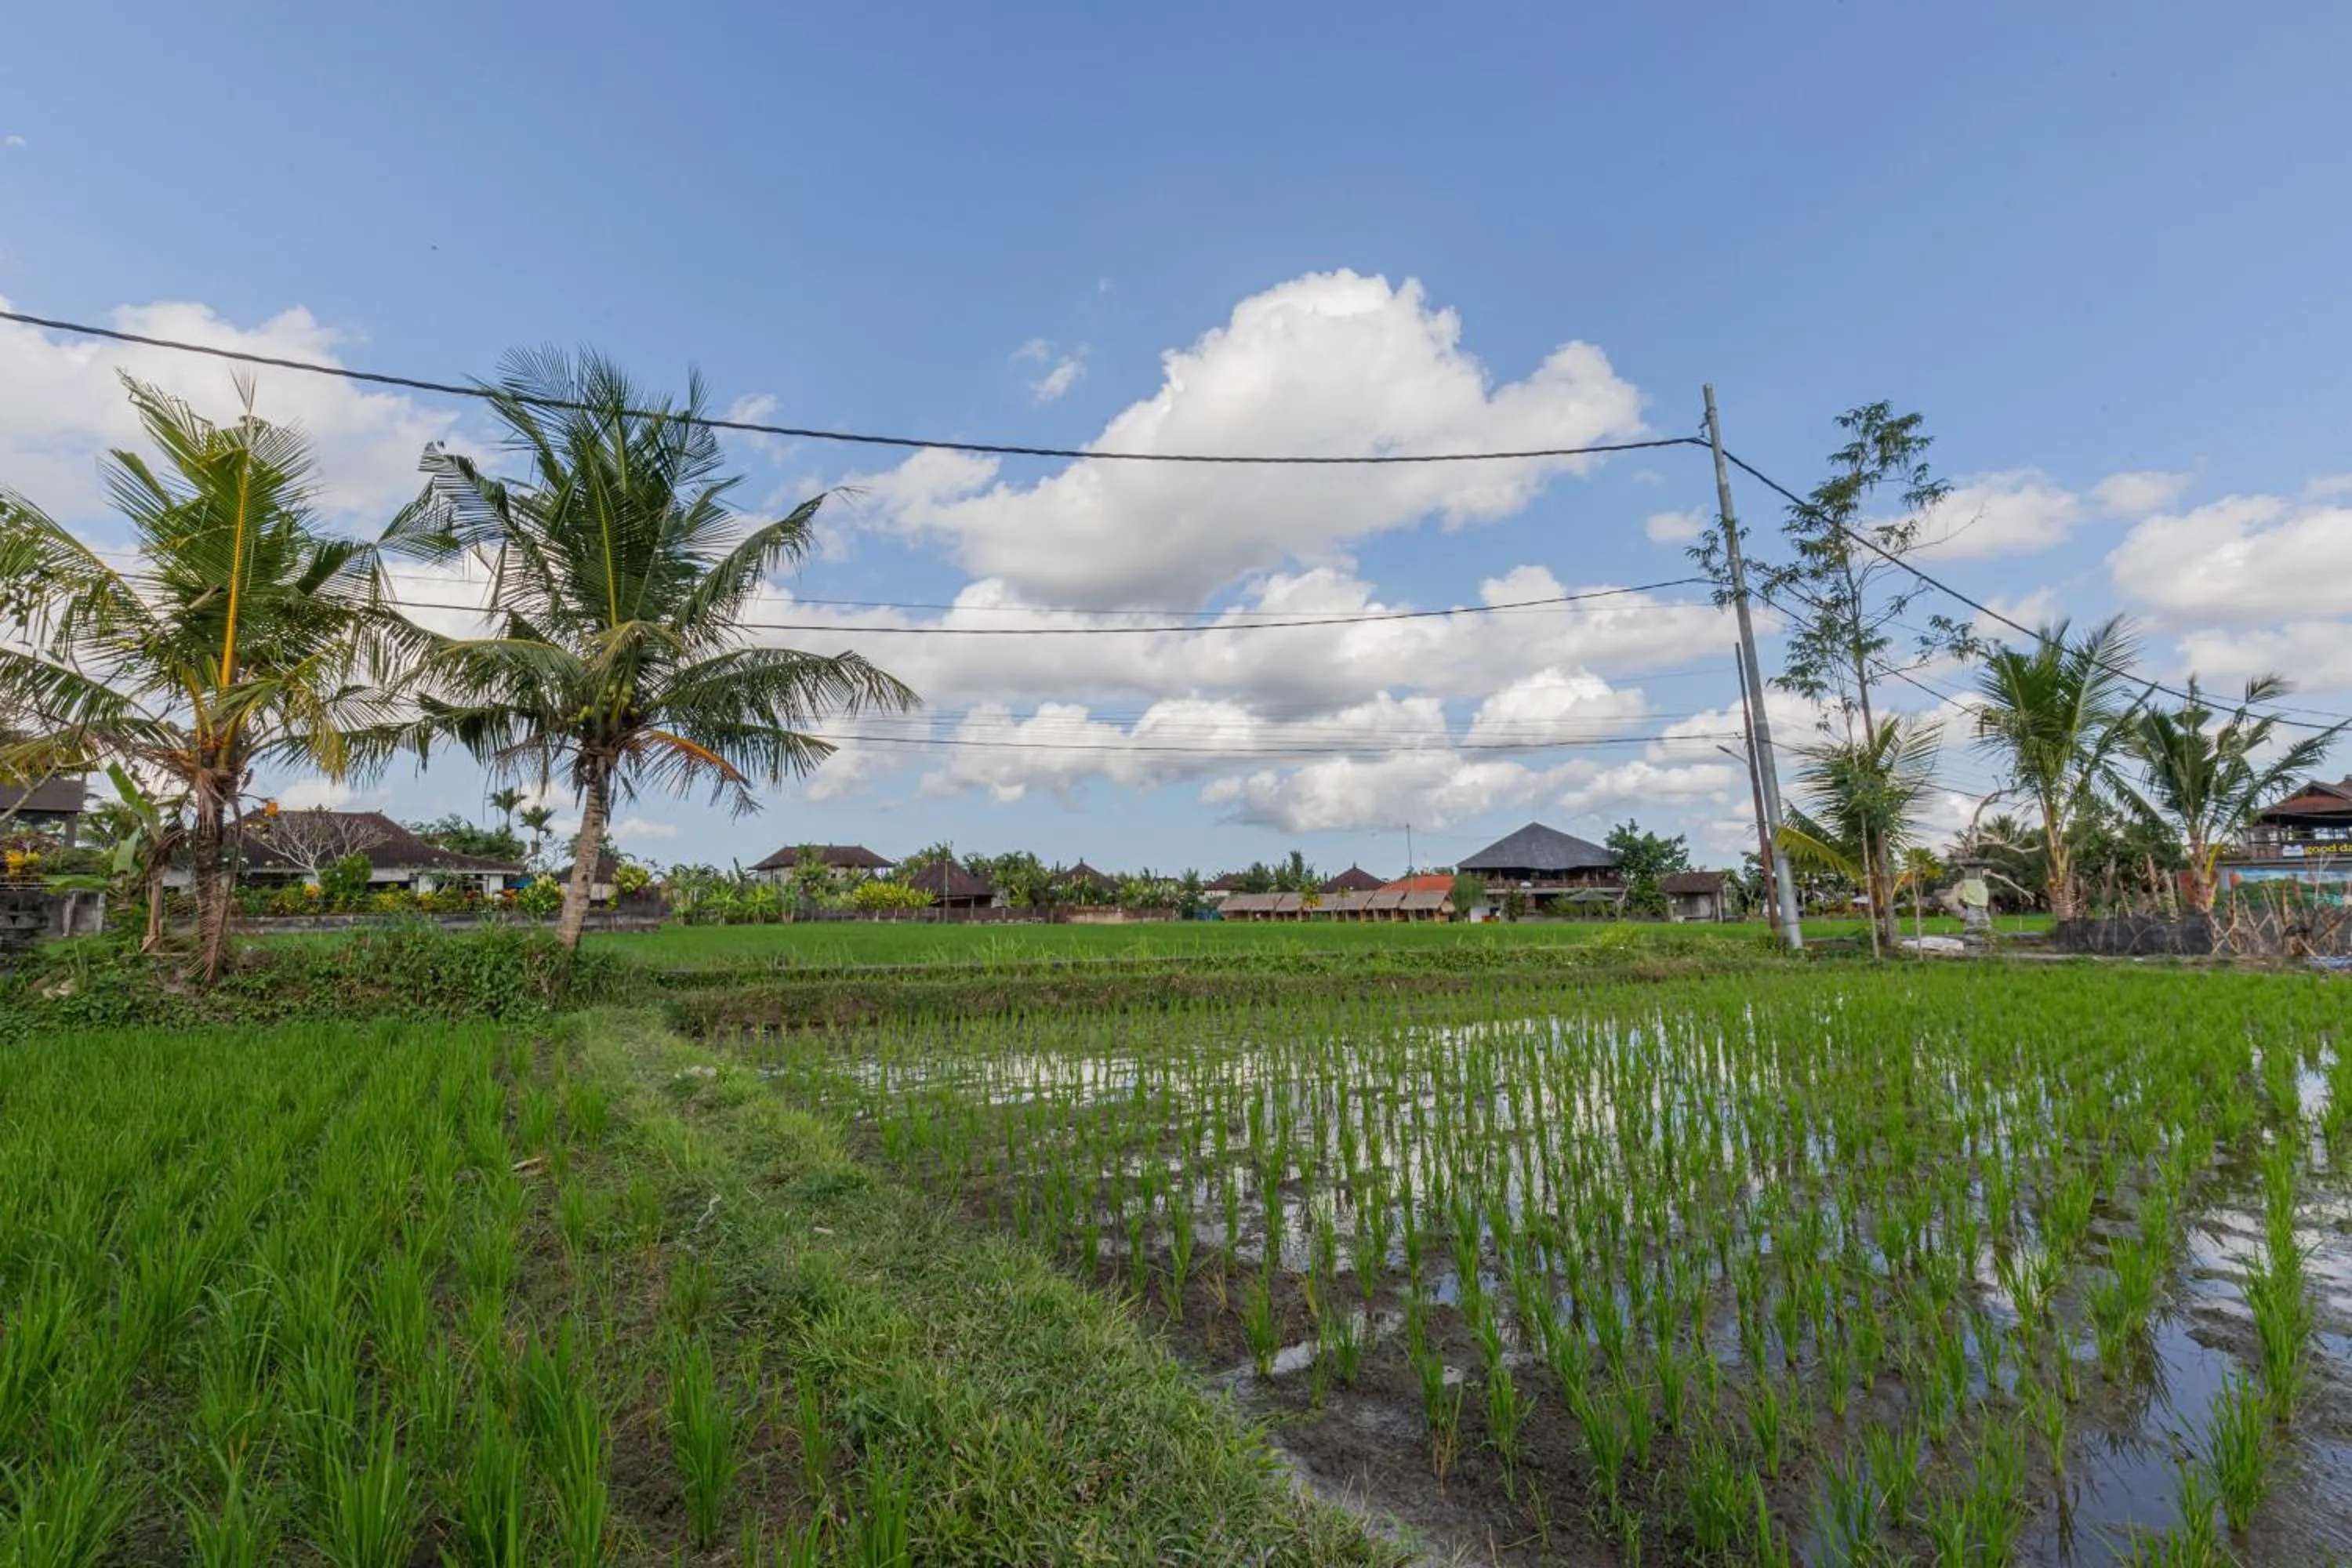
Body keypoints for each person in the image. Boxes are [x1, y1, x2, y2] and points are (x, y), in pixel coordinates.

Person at [1957, 866, 1991, 939]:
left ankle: (1986, 937)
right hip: (1975, 905)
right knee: (1975, 923)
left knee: (1984, 924)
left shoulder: (1979, 882)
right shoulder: (1970, 881)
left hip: (1980, 906)